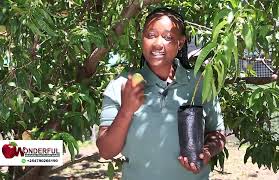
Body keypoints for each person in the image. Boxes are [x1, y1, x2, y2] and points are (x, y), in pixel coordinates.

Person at [96, 7, 226, 180]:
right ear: (142, 39)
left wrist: (206, 152)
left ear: (180, 43)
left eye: (168, 37)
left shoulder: (199, 83)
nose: (157, 43)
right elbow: (106, 151)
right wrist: (126, 110)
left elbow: (217, 132)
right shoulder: (121, 85)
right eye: (150, 35)